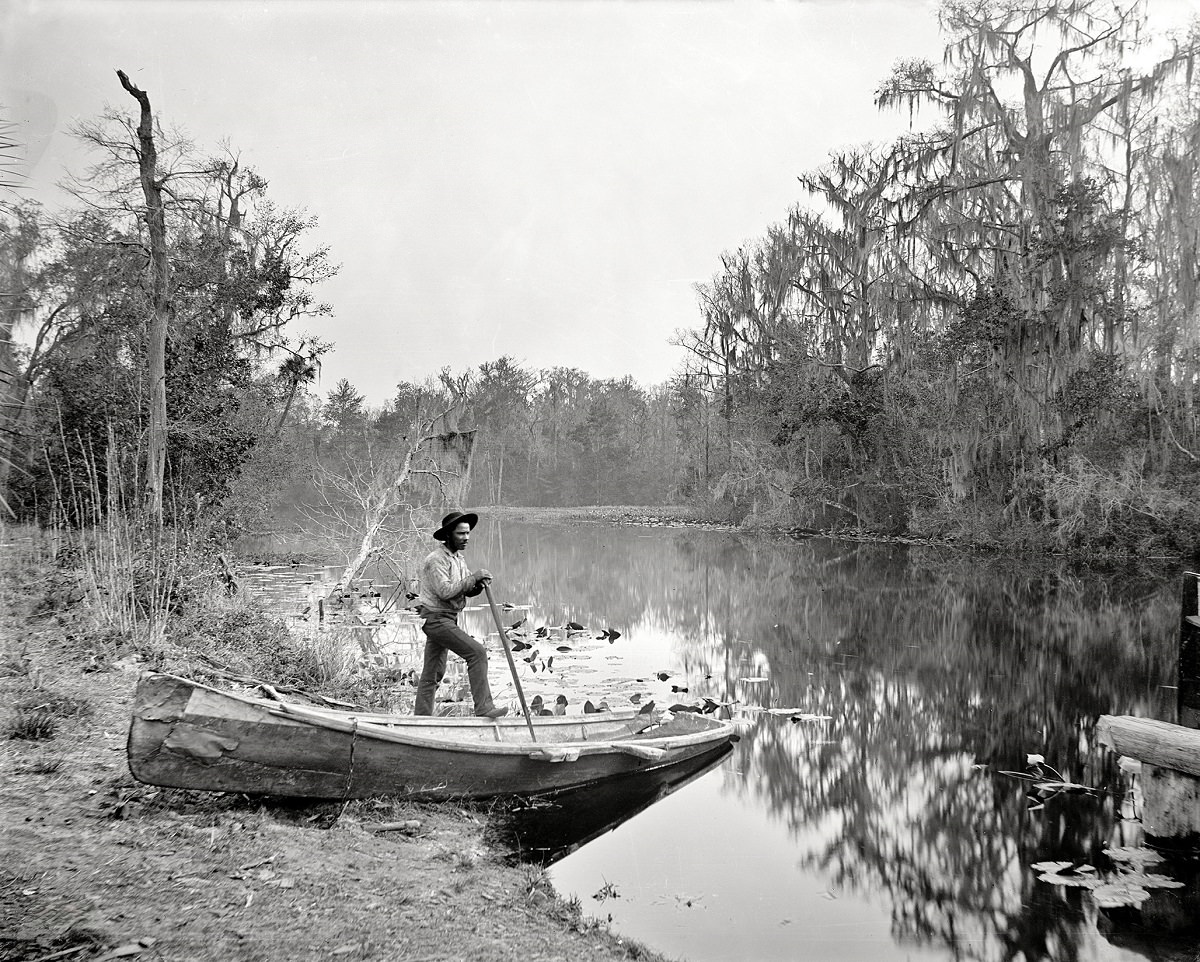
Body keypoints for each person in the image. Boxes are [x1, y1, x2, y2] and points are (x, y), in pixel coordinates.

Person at [413, 510, 508, 718]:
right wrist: (473, 578)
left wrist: (478, 584)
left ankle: (420, 719)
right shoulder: (436, 560)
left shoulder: (457, 558)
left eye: (467, 533)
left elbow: (464, 588)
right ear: (448, 535)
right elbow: (446, 591)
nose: (466, 538)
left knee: (433, 674)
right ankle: (484, 708)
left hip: (447, 618)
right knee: (477, 653)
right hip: (436, 619)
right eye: (460, 534)